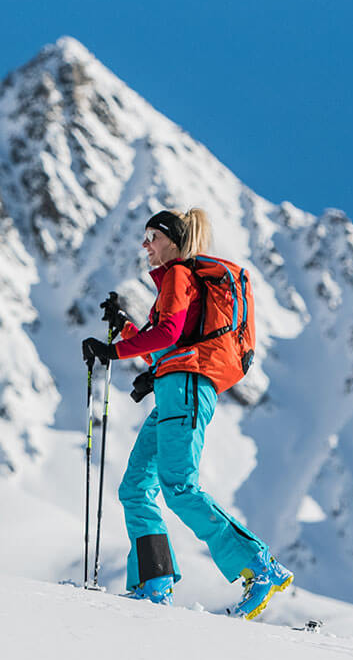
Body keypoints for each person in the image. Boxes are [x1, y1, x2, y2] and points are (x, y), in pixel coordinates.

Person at [82, 207, 293, 618]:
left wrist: (114, 350)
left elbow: (168, 334)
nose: (146, 244)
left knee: (179, 486)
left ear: (174, 243)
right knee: (135, 488)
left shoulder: (178, 274)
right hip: (174, 389)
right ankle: (154, 583)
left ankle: (259, 565)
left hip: (187, 388)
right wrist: (125, 329)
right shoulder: (176, 281)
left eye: (153, 237)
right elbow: (167, 346)